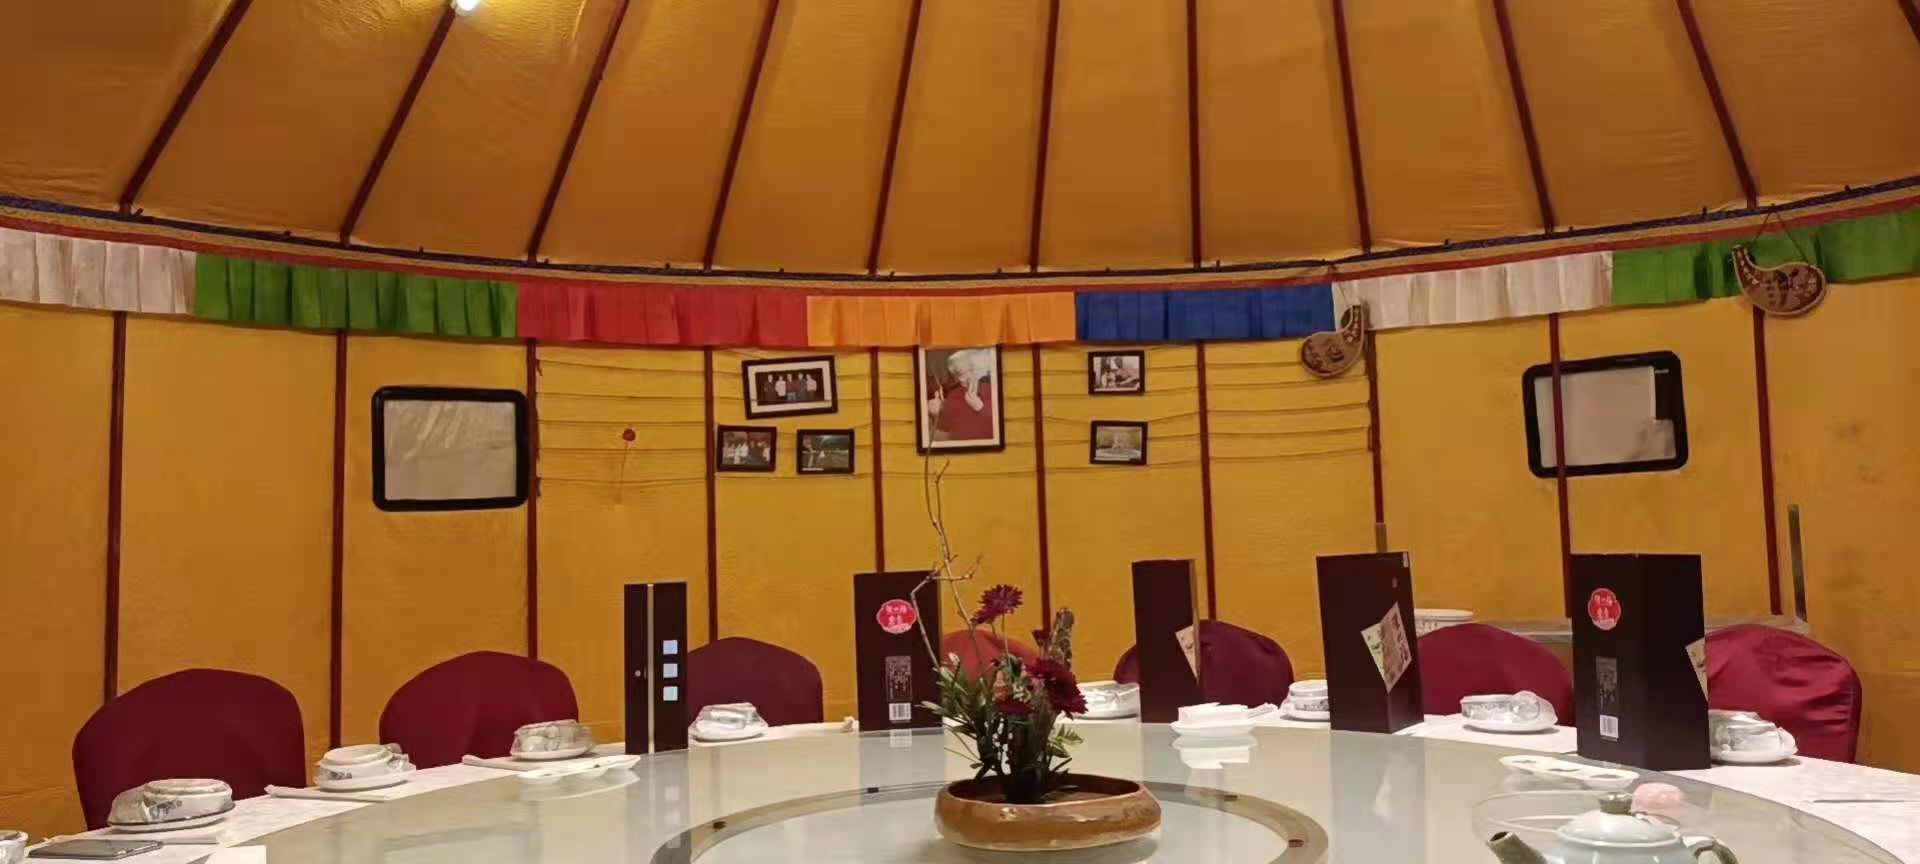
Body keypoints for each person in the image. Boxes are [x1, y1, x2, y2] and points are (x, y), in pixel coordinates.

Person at [926, 349, 995, 444]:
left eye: (964, 373)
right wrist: (935, 414)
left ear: (974, 370)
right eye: (957, 374)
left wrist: (981, 408)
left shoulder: (992, 391)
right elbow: (943, 432)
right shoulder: (953, 397)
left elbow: (998, 428)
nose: (961, 379)